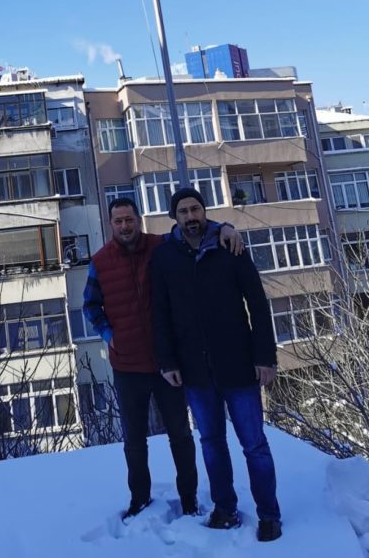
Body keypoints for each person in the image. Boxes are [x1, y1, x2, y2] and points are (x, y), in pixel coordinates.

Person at [83, 195, 242, 521]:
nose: (124, 226)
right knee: (134, 440)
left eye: (129, 219)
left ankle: (189, 499)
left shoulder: (161, 246)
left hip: (167, 364)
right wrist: (110, 337)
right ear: (110, 224)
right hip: (127, 366)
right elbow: (90, 305)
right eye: (118, 221)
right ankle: (139, 499)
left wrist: (224, 227)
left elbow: (193, 228)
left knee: (180, 435)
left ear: (139, 220)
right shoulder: (100, 262)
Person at [150, 187, 282, 543]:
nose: (190, 216)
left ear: (205, 211)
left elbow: (258, 304)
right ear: (174, 217)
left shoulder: (229, 247)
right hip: (195, 371)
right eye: (183, 211)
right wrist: (167, 361)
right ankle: (225, 509)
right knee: (211, 442)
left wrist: (265, 357)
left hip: (239, 365)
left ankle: (269, 515)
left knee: (254, 444)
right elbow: (160, 314)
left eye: (196, 209)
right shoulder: (164, 258)